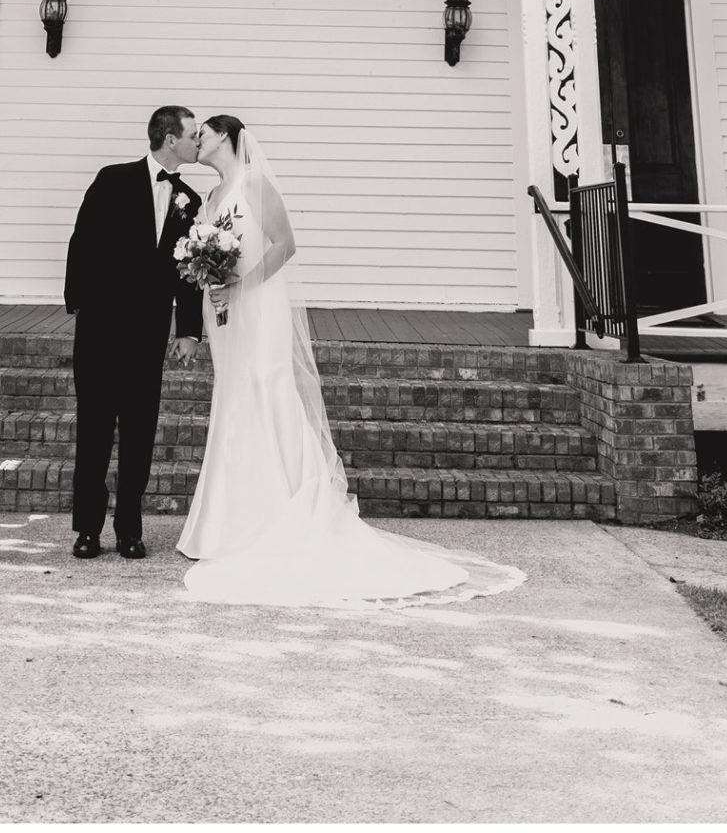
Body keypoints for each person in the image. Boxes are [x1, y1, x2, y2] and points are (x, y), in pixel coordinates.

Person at [176, 113, 523, 608]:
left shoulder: (254, 184)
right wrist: (208, 276)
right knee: (234, 397)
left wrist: (242, 284)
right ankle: (224, 523)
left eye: (203, 133)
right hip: (225, 313)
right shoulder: (210, 199)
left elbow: (285, 245)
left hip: (258, 306)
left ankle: (280, 509)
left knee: (267, 389)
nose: (197, 140)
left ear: (227, 137)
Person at [63, 104, 204, 560]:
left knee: (140, 434)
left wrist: (188, 330)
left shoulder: (190, 201)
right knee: (95, 433)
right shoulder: (112, 180)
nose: (197, 142)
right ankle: (87, 529)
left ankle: (129, 529)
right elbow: (82, 242)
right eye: (192, 135)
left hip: (148, 333)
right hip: (102, 331)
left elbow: (187, 271)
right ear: (169, 138)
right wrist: (84, 306)